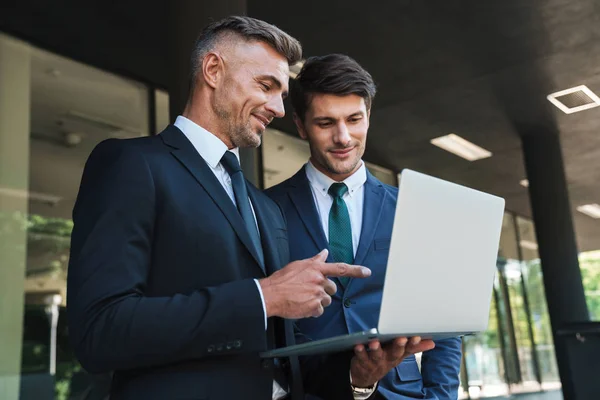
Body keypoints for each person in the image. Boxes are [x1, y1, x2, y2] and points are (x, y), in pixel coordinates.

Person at [66, 17, 384, 400]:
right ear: (213, 70)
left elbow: (280, 355)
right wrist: (262, 297)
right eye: (265, 86)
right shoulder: (132, 165)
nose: (278, 109)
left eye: (282, 94)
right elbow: (99, 331)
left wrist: (359, 374)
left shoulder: (264, 205)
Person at [266, 54, 462, 399]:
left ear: (368, 116)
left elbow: (443, 326)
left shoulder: (413, 209)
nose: (343, 137)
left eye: (354, 119)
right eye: (326, 123)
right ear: (300, 125)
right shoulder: (266, 209)